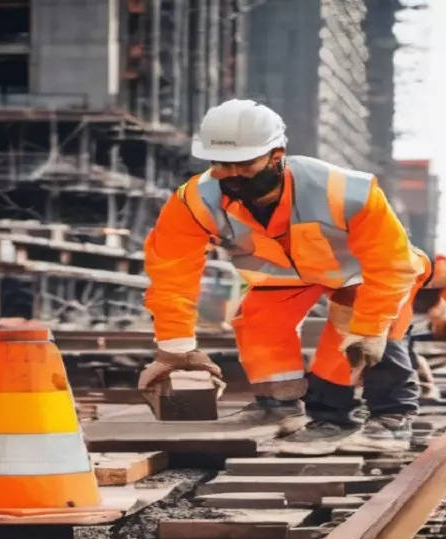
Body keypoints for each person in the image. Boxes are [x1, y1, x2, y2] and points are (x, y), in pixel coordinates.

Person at [136, 99, 429, 454]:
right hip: (286, 276)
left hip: (365, 273)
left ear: (276, 155)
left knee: (362, 332)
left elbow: (389, 265)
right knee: (259, 320)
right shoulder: (194, 202)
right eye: (221, 164)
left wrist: (370, 329)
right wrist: (175, 348)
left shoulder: (345, 192)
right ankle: (278, 407)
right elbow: (171, 274)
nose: (231, 174)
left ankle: (383, 419)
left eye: (244, 164)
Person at [409, 253, 446, 400]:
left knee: (407, 354)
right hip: (412, 321)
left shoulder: (437, 263)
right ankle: (427, 387)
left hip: (419, 322)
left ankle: (427, 387)